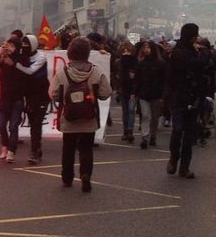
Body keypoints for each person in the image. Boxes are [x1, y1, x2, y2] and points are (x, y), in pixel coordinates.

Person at [50, 37, 112, 192]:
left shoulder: (62, 72)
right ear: (87, 53)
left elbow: (54, 94)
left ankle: (67, 177)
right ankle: (85, 175)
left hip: (68, 117)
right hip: (89, 117)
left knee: (68, 148)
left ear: (70, 52)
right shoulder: (96, 71)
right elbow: (106, 92)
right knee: (86, 148)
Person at [165, 23, 207, 178]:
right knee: (177, 130)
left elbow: (203, 71)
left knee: (189, 135)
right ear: (192, 36)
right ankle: (174, 158)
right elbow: (189, 68)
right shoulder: (179, 53)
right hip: (178, 96)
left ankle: (184, 167)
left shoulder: (193, 52)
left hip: (193, 97)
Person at [0, 36, 25, 163]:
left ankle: (11, 151)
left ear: (17, 48)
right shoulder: (3, 58)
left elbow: (24, 73)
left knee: (14, 126)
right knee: (1, 125)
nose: (8, 48)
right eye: (7, 45)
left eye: (11, 46)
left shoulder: (21, 59)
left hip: (17, 99)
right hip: (4, 99)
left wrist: (12, 61)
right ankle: (5, 144)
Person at [15, 34, 50, 164]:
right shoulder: (22, 56)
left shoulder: (41, 57)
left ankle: (34, 151)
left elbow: (30, 71)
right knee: (32, 123)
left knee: (36, 124)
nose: (24, 47)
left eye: (26, 45)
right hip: (29, 97)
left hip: (41, 96)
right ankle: (37, 148)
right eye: (22, 44)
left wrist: (15, 64)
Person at [133, 41, 166, 149]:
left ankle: (153, 135)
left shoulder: (161, 64)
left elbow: (164, 81)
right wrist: (135, 92)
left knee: (155, 117)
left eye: (148, 47)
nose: (146, 49)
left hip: (156, 94)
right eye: (144, 47)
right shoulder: (141, 63)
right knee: (146, 115)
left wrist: (163, 96)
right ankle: (145, 138)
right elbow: (137, 80)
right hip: (144, 94)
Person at [113, 41, 137, 143]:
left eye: (128, 51)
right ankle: (125, 131)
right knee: (125, 112)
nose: (126, 52)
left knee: (131, 111)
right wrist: (117, 87)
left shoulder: (135, 62)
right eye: (124, 50)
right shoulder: (118, 62)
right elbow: (114, 75)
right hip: (123, 89)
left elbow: (138, 77)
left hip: (132, 90)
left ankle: (130, 131)